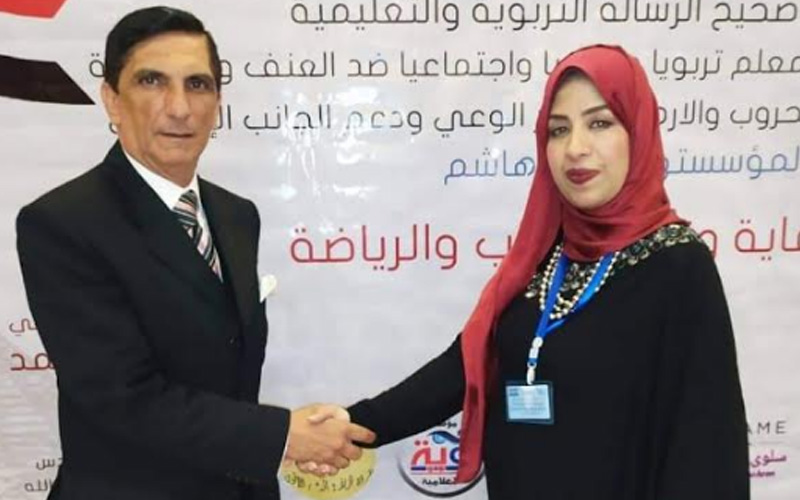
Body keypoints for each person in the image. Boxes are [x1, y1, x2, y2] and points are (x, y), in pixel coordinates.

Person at [340, 45, 750, 499]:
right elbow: (464, 366)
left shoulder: (677, 265)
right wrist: (353, 425)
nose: (576, 148)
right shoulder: (545, 255)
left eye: (600, 123)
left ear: (637, 131)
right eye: (559, 129)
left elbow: (708, 449)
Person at [16, 6, 373, 500]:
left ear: (218, 103)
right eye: (152, 82)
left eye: (198, 85)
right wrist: (281, 436)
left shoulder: (236, 215)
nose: (180, 108)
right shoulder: (63, 222)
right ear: (112, 100)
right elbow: (121, 397)